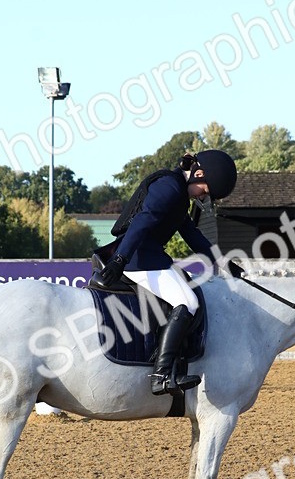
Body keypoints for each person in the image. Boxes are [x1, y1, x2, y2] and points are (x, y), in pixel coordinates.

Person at [99, 148, 241, 395]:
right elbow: (143, 221)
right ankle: (161, 375)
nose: (204, 197)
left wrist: (222, 262)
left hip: (149, 256)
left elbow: (191, 235)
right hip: (140, 259)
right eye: (206, 190)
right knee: (187, 302)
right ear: (198, 173)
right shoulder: (170, 188)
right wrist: (119, 260)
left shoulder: (177, 194)